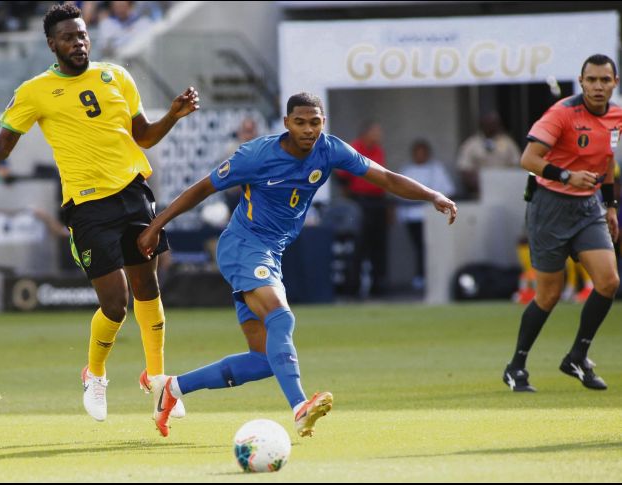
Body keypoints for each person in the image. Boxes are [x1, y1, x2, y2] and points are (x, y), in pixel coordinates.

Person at [0, 4, 198, 423]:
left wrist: (173, 117)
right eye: (69, 38)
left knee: (148, 287)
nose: (79, 43)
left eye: (83, 35)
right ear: (52, 44)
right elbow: (0, 147)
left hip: (133, 194)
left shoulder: (117, 76)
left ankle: (160, 382)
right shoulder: (35, 90)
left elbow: (142, 136)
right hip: (88, 206)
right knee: (115, 304)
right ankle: (95, 374)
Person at [137, 92, 457, 438]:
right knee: (281, 315)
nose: (308, 130)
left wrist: (433, 195)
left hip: (271, 252)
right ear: (287, 123)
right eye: (300, 122)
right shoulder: (256, 155)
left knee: (262, 360)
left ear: (323, 123)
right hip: (243, 245)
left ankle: (172, 388)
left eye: (315, 122)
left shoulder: (330, 150)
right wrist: (156, 225)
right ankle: (300, 407)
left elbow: (386, 178)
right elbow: (201, 189)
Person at [503, 54, 622, 393]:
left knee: (609, 281)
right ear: (581, 82)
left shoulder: (616, 116)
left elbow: (608, 157)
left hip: (588, 207)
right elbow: (528, 159)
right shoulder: (562, 114)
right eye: (592, 80)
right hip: (550, 207)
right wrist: (568, 175)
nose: (598, 86)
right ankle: (516, 366)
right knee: (549, 294)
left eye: (605, 80)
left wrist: (610, 205)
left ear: (614, 82)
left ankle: (577, 356)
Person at [335, 121, 390, 297]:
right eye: (376, 132)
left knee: (378, 246)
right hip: (359, 201)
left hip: (377, 201)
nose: (378, 136)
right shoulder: (354, 148)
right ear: (366, 133)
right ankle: (353, 288)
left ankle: (378, 287)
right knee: (359, 247)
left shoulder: (378, 150)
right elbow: (340, 175)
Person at [397, 139, 455, 291]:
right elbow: (399, 194)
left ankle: (434, 278)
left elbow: (448, 190)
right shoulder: (407, 171)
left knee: (431, 248)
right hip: (413, 217)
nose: (420, 156)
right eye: (417, 153)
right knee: (419, 248)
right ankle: (420, 277)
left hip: (433, 216)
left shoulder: (437, 169)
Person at [457, 111, 521, 198]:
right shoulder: (471, 144)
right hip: (479, 194)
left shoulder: (508, 143)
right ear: (482, 124)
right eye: (488, 123)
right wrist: (484, 186)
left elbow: (517, 167)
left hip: (505, 192)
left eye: (494, 123)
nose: (492, 126)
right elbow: (464, 170)